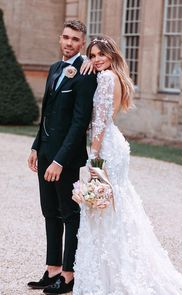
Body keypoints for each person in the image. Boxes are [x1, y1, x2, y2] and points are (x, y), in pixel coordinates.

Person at [72, 35, 182, 295]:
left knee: (103, 204)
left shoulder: (105, 79)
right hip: (117, 144)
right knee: (117, 204)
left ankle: (111, 278)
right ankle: (117, 269)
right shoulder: (118, 78)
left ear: (112, 55)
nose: (96, 60)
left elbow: (100, 121)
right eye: (92, 56)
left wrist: (94, 156)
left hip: (105, 148)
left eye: (101, 54)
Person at [27, 20, 97, 295]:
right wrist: (35, 147)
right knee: (49, 212)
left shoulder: (85, 72)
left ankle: (68, 275)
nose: (69, 43)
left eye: (75, 40)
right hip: (44, 152)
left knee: (69, 214)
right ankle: (52, 269)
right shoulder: (55, 68)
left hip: (64, 158)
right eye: (66, 37)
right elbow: (46, 113)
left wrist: (59, 161)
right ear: (60, 38)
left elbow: (80, 123)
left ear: (82, 43)